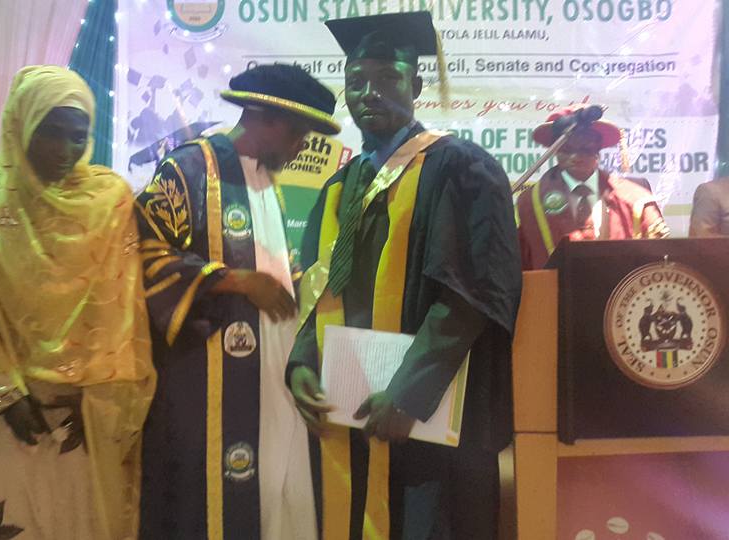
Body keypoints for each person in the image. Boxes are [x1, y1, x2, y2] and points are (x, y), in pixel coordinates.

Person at [287, 12, 523, 539]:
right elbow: (319, 289)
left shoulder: (460, 169)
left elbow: (473, 291)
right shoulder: (339, 186)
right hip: (350, 414)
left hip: (429, 423)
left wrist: (408, 392)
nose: (369, 93)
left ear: (416, 85)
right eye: (355, 81)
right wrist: (301, 363)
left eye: (387, 79)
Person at [0, 65, 154, 539]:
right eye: (50, 132)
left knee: (80, 521)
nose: (64, 150)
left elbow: (123, 312)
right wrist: (4, 395)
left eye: (77, 136)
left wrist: (92, 398)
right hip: (10, 412)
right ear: (21, 124)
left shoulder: (109, 200)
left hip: (87, 414)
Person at [134, 63, 339, 539]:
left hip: (272, 378)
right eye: (299, 133)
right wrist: (234, 281)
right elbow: (140, 254)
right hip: (207, 386)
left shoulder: (267, 183)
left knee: (276, 498)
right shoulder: (187, 168)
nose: (302, 146)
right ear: (263, 116)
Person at [516, 107, 670, 269]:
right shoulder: (531, 204)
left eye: (586, 148)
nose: (575, 156)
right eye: (566, 149)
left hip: (620, 290)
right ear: (554, 151)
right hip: (555, 292)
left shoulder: (636, 200)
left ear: (599, 149)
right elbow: (524, 266)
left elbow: (661, 263)